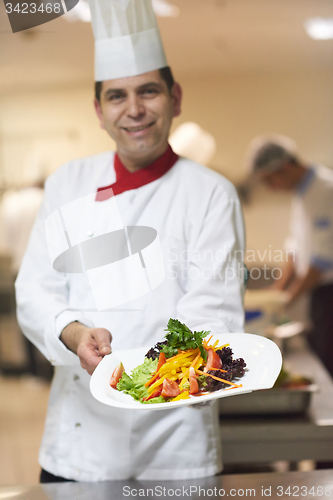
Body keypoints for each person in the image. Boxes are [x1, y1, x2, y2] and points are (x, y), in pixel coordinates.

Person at [15, 0, 245, 482]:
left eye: (148, 91)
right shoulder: (68, 184)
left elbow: (212, 315)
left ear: (175, 98)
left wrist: (141, 374)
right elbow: (35, 291)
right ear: (99, 111)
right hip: (79, 445)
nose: (134, 109)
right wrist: (76, 335)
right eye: (117, 96)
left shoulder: (210, 194)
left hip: (175, 444)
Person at [247, 134, 333, 377]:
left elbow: (322, 260)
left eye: (268, 180)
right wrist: (276, 294)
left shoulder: (326, 190)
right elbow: (295, 251)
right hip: (320, 295)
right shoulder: (302, 194)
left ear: (283, 168)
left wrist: (284, 302)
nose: (270, 188)